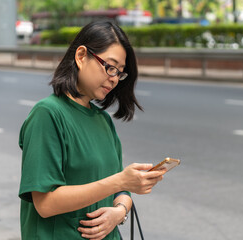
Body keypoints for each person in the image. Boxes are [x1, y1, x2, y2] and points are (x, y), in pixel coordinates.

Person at [18, 20, 165, 240]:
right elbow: (45, 204)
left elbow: (119, 191)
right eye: (110, 67)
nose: (114, 78)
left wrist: (119, 212)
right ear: (81, 56)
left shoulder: (103, 121)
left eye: (120, 73)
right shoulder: (48, 114)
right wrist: (120, 181)